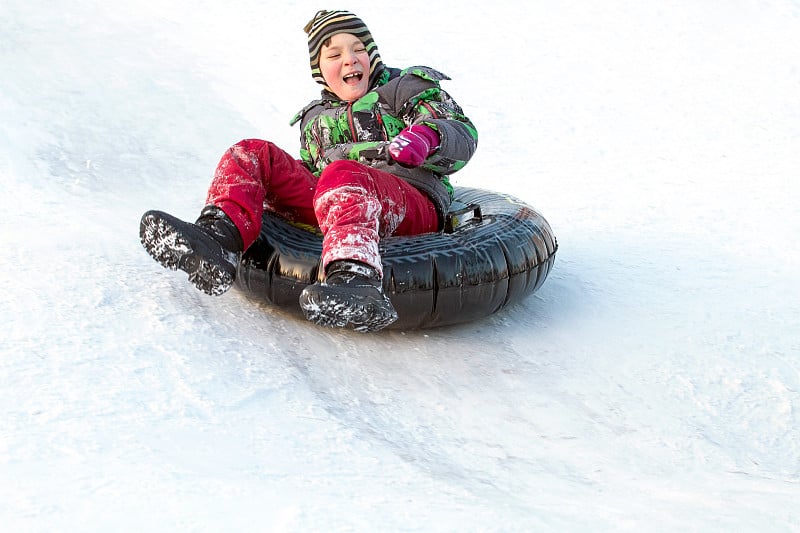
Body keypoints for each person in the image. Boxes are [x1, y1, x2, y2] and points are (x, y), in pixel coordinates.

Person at [140, 10, 478, 332]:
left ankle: (355, 279)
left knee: (344, 173)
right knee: (253, 151)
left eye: (359, 49)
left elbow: (460, 131)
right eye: (334, 55)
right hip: (341, 196)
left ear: (372, 56)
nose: (349, 59)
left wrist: (427, 136)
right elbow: (315, 170)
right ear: (319, 70)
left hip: (409, 200)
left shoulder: (403, 87)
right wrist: (277, 187)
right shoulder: (315, 117)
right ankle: (217, 239)